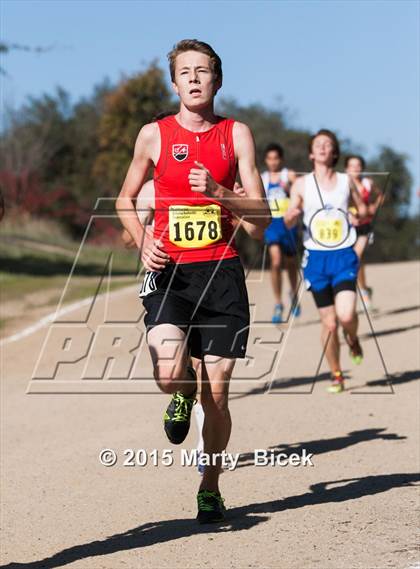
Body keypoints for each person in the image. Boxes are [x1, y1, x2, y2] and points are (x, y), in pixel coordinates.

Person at [116, 39, 270, 523]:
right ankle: (181, 392)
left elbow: (263, 217)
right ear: (175, 82)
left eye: (204, 71)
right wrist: (142, 240)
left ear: (218, 81)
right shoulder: (153, 135)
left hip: (221, 274)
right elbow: (124, 199)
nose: (195, 79)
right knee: (169, 374)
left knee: (218, 394)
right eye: (186, 72)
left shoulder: (237, 135)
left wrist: (222, 192)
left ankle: (210, 486)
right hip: (170, 274)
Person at [285, 129, 367, 393]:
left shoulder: (346, 181)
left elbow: (363, 210)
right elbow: (287, 218)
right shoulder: (301, 185)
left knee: (346, 315)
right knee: (329, 322)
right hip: (316, 259)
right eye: (318, 144)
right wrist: (293, 215)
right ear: (311, 153)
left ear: (334, 153)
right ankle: (336, 372)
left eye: (327, 144)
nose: (322, 147)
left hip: (343, 255)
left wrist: (356, 216)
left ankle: (352, 337)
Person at [261, 143, 300, 323]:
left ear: (281, 159)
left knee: (291, 262)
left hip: (288, 223)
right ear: (266, 160)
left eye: (276, 158)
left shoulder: (289, 175)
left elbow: (302, 193)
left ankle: (293, 294)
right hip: (272, 224)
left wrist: (289, 190)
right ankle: (278, 302)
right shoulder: (263, 178)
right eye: (269, 159)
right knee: (275, 261)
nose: (273, 162)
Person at [345, 155, 383, 310]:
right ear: (346, 168)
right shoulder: (343, 183)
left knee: (357, 256)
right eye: (352, 166)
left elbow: (381, 195)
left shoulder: (368, 183)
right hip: (348, 227)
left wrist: (374, 207)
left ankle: (363, 294)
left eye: (358, 165)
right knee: (357, 261)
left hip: (365, 226)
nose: (355, 168)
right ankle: (364, 288)